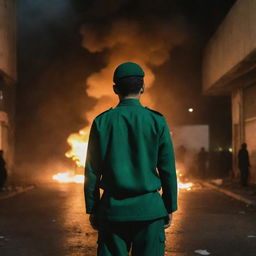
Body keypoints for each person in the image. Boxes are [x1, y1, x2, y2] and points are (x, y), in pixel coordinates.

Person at [84, 62, 178, 256]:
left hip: (112, 212)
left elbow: (92, 170)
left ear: (115, 89)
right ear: (143, 87)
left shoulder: (102, 122)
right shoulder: (156, 121)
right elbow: (167, 169)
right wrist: (169, 206)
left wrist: (93, 208)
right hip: (150, 212)